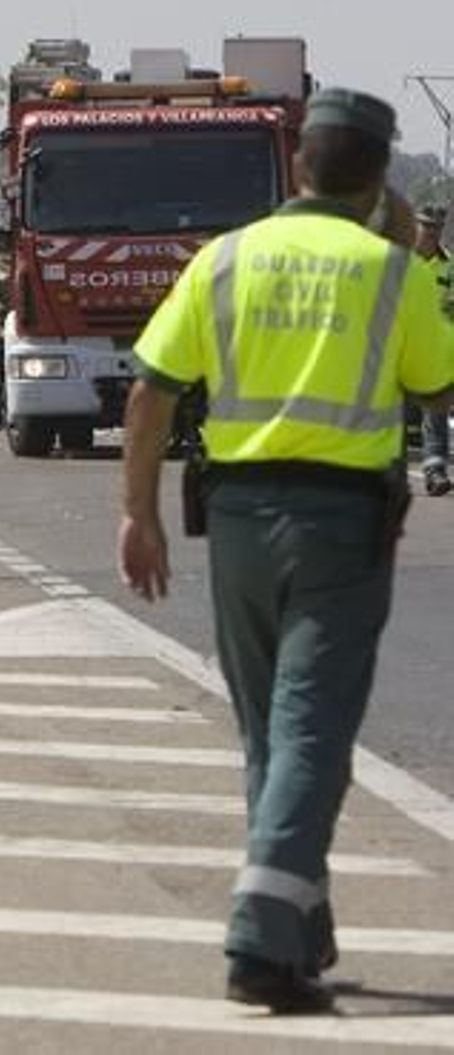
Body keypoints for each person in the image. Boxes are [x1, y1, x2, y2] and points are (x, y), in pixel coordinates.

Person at [116, 88, 454, 1013]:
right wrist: (399, 243)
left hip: (233, 521)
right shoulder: (392, 272)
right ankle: (261, 940)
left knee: (270, 729)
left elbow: (150, 391)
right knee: (312, 729)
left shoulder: (226, 259)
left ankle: (301, 926)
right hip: (340, 527)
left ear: (298, 161)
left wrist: (137, 513)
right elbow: (439, 387)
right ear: (381, 176)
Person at [412, 203, 453, 495]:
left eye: (436, 227)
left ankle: (435, 471)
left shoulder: (449, 265)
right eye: (425, 226)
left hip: (434, 350)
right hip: (397, 346)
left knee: (435, 409)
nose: (430, 232)